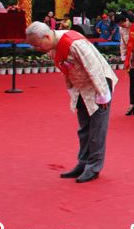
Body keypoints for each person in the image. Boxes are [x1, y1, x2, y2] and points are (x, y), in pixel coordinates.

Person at [26, 21, 117, 183]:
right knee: (84, 128)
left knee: (97, 129)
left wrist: (103, 94)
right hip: (81, 86)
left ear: (47, 36)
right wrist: (72, 90)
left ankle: (94, 166)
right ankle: (83, 163)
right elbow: (66, 70)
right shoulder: (53, 47)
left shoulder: (74, 43)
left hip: (98, 84)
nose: (37, 49)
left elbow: (94, 68)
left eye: (38, 45)